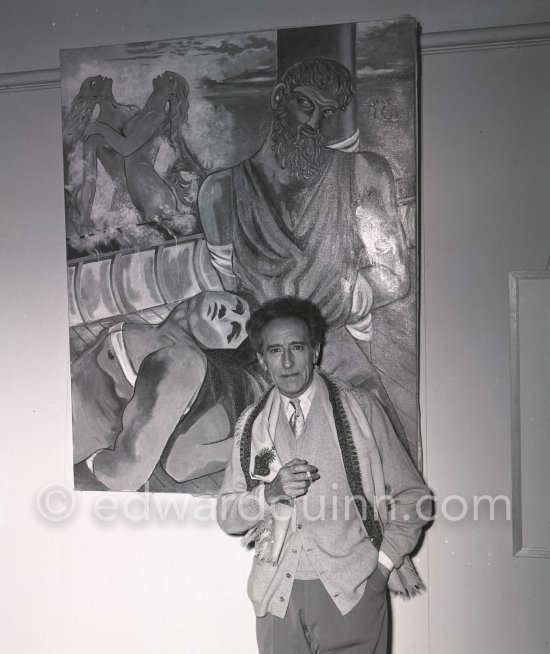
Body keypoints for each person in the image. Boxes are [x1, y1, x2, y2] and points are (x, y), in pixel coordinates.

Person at [198, 58, 411, 447]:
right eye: (305, 105)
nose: (314, 124)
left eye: (326, 113)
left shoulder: (364, 172)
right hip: (261, 359)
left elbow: (393, 279)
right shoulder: (221, 192)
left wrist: (324, 320)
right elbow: (235, 296)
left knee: (377, 450)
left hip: (335, 346)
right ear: (280, 97)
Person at [217, 297, 430, 654]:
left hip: (353, 593)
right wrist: (267, 496)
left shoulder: (359, 408)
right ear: (261, 359)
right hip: (276, 595)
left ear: (315, 351)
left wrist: (381, 568)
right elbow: (227, 516)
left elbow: (414, 498)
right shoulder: (249, 425)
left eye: (297, 347)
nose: (286, 362)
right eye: (275, 350)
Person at [71, 291, 267, 492]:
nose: (228, 314)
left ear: (222, 350)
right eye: (238, 307)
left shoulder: (183, 362)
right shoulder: (156, 334)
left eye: (233, 330)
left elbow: (128, 471)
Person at [84, 70, 204, 226]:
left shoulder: (155, 115)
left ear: (172, 94)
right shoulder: (146, 111)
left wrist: (100, 128)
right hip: (141, 192)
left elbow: (126, 148)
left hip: (153, 194)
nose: (163, 74)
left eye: (170, 78)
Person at [64, 75, 139, 234]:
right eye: (94, 83)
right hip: (125, 204)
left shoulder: (133, 111)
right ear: (95, 96)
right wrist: (85, 218)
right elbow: (89, 181)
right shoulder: (92, 137)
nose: (99, 77)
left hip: (144, 194)